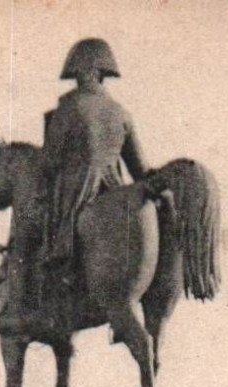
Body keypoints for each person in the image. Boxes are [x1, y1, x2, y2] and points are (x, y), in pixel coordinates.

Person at [38, 38, 149, 280]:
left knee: (43, 222)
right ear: (102, 74)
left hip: (76, 190)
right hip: (113, 189)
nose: (78, 78)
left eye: (79, 73)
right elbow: (139, 169)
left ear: (90, 72)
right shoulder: (121, 113)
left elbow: (49, 161)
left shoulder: (68, 108)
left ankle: (58, 267)